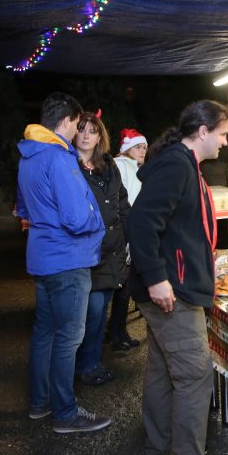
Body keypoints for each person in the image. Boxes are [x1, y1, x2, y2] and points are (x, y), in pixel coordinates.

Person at [127, 100, 228, 455]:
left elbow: (181, 225)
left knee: (162, 369)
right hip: (171, 291)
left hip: (173, 285)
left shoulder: (183, 163)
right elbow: (142, 223)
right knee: (194, 375)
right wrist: (157, 278)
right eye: (222, 134)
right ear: (203, 131)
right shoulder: (177, 164)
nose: (225, 142)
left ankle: (159, 448)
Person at [16, 92, 110, 433]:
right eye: (77, 124)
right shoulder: (58, 157)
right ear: (68, 120)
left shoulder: (29, 155)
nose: (78, 132)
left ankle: (40, 403)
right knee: (69, 337)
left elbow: (22, 209)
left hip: (43, 257)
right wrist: (96, 222)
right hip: (68, 259)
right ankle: (65, 413)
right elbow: (75, 217)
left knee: (45, 332)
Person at [73, 112, 130, 385]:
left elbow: (122, 202)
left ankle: (91, 362)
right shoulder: (69, 166)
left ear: (100, 137)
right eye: (82, 129)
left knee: (100, 311)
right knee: (92, 313)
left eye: (92, 131)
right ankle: (84, 365)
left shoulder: (108, 165)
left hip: (113, 250)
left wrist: (129, 238)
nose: (86, 135)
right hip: (87, 252)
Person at [106, 127, 148, 351]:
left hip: (132, 229)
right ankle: (115, 333)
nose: (142, 151)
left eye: (144, 147)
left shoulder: (136, 167)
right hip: (122, 230)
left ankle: (118, 330)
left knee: (125, 285)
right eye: (138, 147)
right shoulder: (120, 165)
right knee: (121, 284)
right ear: (127, 148)